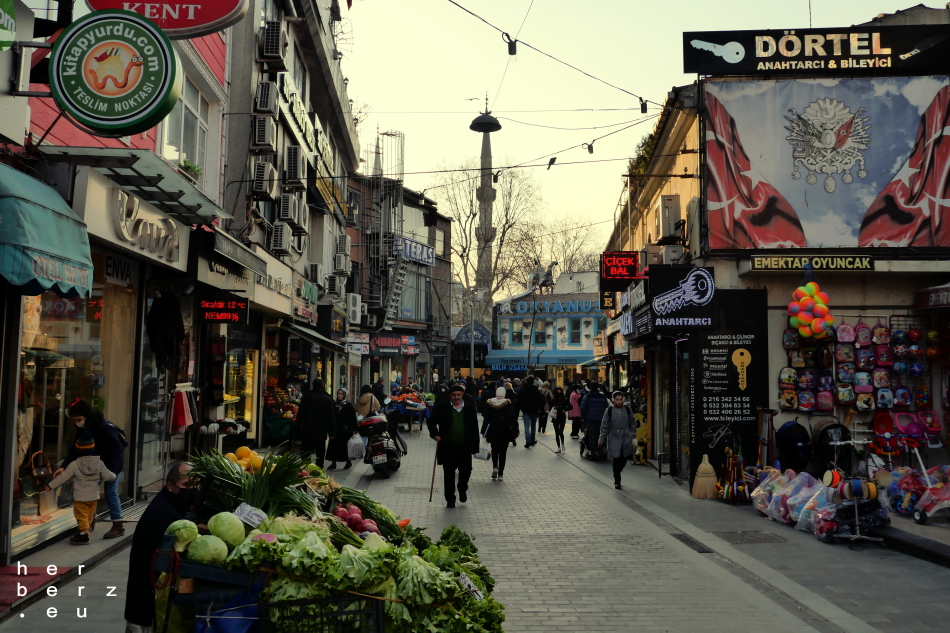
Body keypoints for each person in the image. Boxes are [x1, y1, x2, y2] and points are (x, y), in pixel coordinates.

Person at [124, 462, 195, 632]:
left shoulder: (171, 503)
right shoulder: (163, 513)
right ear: (170, 485)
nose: (192, 490)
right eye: (186, 485)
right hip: (146, 602)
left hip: (148, 599)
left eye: (194, 485)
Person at [53, 398, 126, 539]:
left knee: (110, 492)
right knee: (89, 492)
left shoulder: (104, 426)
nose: (77, 423)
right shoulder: (83, 428)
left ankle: (118, 525)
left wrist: (110, 471)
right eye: (74, 420)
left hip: (111, 464)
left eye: (79, 419)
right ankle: (89, 523)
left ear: (87, 416)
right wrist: (64, 466)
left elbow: (117, 448)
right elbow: (75, 447)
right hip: (94, 464)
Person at [46, 430, 116, 545]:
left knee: (81, 516)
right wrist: (114, 476)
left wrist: (50, 486)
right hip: (94, 496)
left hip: (80, 497)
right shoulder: (99, 463)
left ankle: (83, 535)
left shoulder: (74, 464)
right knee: (89, 515)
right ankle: (85, 531)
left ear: (78, 450)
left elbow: (62, 478)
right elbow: (109, 476)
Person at [427, 384, 479, 508]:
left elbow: (474, 428)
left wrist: (475, 447)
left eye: (458, 395)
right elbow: (431, 421)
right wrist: (435, 434)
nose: (456, 397)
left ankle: (462, 488)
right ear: (450, 395)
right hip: (448, 446)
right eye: (454, 395)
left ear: (462, 395)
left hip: (465, 447)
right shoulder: (442, 407)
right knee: (449, 474)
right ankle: (450, 499)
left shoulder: (470, 408)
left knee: (466, 471)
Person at [599, 392, 639, 489]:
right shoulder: (609, 410)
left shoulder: (627, 409)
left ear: (623, 399)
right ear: (613, 400)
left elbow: (632, 422)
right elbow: (604, 425)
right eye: (617, 400)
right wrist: (602, 438)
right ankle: (617, 480)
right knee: (616, 459)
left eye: (621, 399)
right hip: (614, 438)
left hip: (626, 438)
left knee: (624, 459)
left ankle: (617, 473)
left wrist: (631, 433)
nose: (619, 402)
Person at [295, 378, 336, 468]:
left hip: (307, 430)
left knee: (305, 452)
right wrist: (332, 433)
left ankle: (306, 467)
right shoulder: (327, 399)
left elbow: (300, 414)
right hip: (321, 431)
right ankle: (319, 469)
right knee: (320, 453)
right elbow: (331, 417)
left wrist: (297, 430)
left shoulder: (306, 398)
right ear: (322, 386)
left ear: (312, 386)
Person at [481, 387, 517, 481]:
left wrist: (483, 431)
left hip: (492, 430)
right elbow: (512, 416)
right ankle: (501, 474)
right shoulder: (507, 403)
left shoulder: (489, 403)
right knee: (503, 453)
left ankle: (495, 467)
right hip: (504, 431)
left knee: (494, 450)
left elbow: (486, 417)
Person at [327, 388, 357, 469]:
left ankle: (348, 462)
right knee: (334, 446)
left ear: (345, 395)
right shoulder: (335, 404)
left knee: (345, 447)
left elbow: (353, 417)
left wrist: (355, 428)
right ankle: (333, 463)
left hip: (345, 431)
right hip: (336, 429)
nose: (340, 395)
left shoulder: (348, 405)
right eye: (339, 393)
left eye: (341, 394)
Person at [580, 381, 610, 453]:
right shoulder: (603, 396)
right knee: (600, 436)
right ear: (598, 387)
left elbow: (583, 408)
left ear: (590, 387)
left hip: (590, 420)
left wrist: (584, 418)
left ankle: (593, 453)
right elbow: (606, 407)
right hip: (601, 420)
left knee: (592, 437)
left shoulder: (587, 396)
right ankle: (600, 452)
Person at [518, 375, 544, 447]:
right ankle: (532, 440)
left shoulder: (523, 390)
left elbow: (519, 400)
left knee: (526, 426)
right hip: (534, 410)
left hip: (525, 410)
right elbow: (540, 401)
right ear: (533, 382)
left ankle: (528, 440)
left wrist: (519, 409)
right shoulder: (536, 390)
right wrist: (542, 411)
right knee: (533, 426)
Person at [550, 387, 570, 453]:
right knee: (557, 433)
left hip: (562, 417)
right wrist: (554, 407)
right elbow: (550, 407)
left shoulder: (565, 400)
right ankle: (558, 447)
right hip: (555, 417)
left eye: (560, 392)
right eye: (558, 392)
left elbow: (570, 407)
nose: (559, 393)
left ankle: (563, 444)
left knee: (561, 432)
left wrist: (565, 410)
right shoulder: (553, 400)